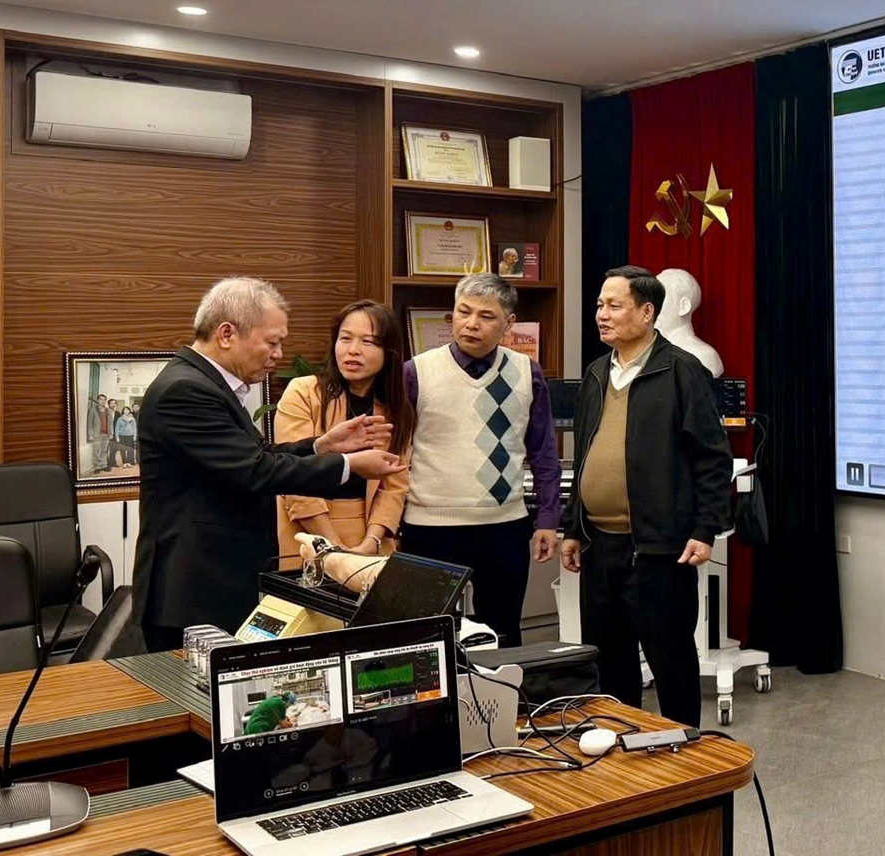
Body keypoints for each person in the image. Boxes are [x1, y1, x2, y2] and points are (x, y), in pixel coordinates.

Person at [132, 278, 404, 650]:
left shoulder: (205, 384)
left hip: (214, 582)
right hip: (193, 589)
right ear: (227, 334)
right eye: (272, 342)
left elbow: (257, 456)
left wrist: (321, 446)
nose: (279, 354)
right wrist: (349, 465)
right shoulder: (186, 390)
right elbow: (256, 471)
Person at [561, 266, 733, 728]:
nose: (601, 314)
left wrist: (706, 528)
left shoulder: (683, 371)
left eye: (614, 305)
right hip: (600, 548)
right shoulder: (597, 373)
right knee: (609, 662)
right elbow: (584, 455)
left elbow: (712, 458)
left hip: (660, 549)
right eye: (600, 305)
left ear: (646, 312)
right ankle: (621, 747)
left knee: (671, 662)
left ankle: (682, 752)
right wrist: (573, 527)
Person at [401, 273, 562, 648]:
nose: (471, 324)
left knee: (503, 634)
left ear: (509, 323)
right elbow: (394, 454)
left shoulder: (527, 372)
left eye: (486, 316)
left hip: (504, 527)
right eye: (463, 312)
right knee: (428, 639)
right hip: (429, 527)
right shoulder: (416, 372)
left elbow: (543, 450)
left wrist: (549, 518)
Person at [273, 300, 416, 567]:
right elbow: (294, 479)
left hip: (371, 541)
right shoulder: (304, 393)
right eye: (345, 338)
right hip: (309, 535)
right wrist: (334, 549)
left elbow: (394, 488)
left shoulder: (395, 409)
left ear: (389, 352)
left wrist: (370, 543)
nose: (352, 350)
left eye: (368, 342)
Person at [86, 394, 112, 475]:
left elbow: (111, 423)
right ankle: (97, 467)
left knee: (104, 450)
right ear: (98, 400)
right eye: (101, 399)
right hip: (97, 434)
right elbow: (89, 423)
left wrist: (111, 433)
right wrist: (90, 434)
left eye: (104, 400)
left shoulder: (108, 410)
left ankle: (103, 465)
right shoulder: (93, 409)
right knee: (96, 450)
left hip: (106, 434)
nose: (103, 401)